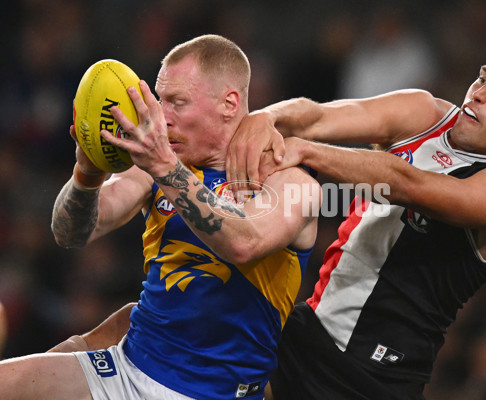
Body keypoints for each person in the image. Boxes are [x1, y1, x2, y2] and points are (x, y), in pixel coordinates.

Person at [225, 36, 486, 399]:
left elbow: (404, 183)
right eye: (482, 77)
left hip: (373, 379)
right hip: (306, 331)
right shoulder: (424, 114)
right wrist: (267, 117)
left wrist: (306, 150)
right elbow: (317, 115)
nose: (478, 93)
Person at [0, 34, 319, 400]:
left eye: (177, 102)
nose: (161, 117)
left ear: (229, 103)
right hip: (126, 366)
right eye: (159, 100)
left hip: (208, 393)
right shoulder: (159, 164)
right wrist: (86, 174)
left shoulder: (289, 180)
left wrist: (165, 167)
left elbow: (244, 242)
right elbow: (70, 232)